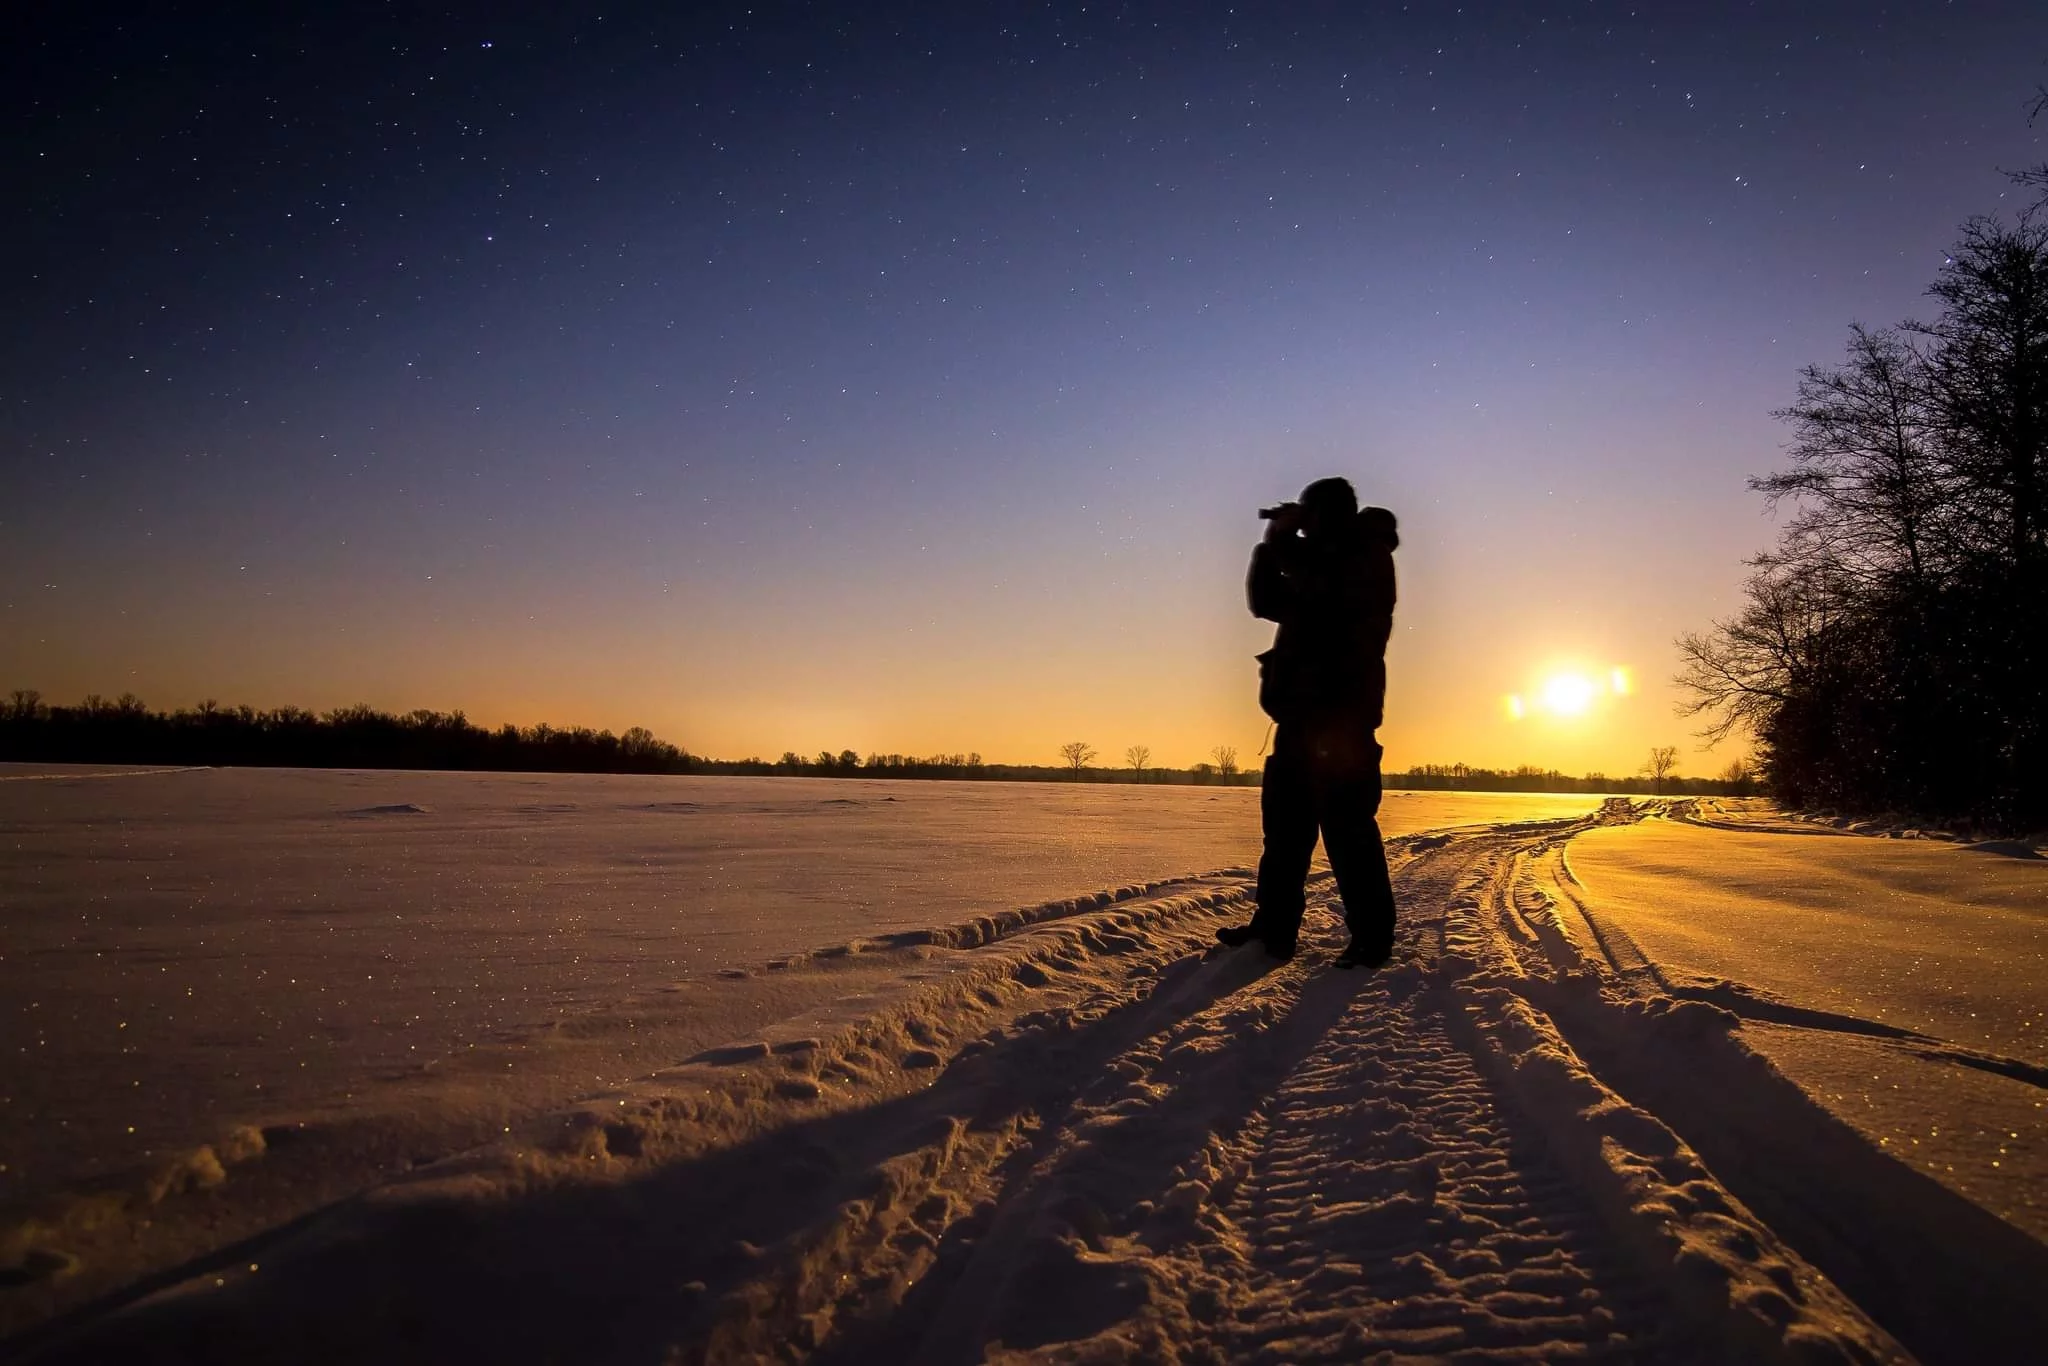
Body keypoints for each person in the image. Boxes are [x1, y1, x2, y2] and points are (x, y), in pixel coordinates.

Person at [1215, 476, 1399, 968]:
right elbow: (1264, 602)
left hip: (1343, 722)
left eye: (1307, 514)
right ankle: (1272, 931)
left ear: (1327, 516)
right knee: (1284, 836)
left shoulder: (1366, 555)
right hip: (1298, 721)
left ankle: (1372, 940)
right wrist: (1273, 545)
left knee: (1349, 833)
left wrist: (1284, 543)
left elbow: (1325, 586)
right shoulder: (1323, 560)